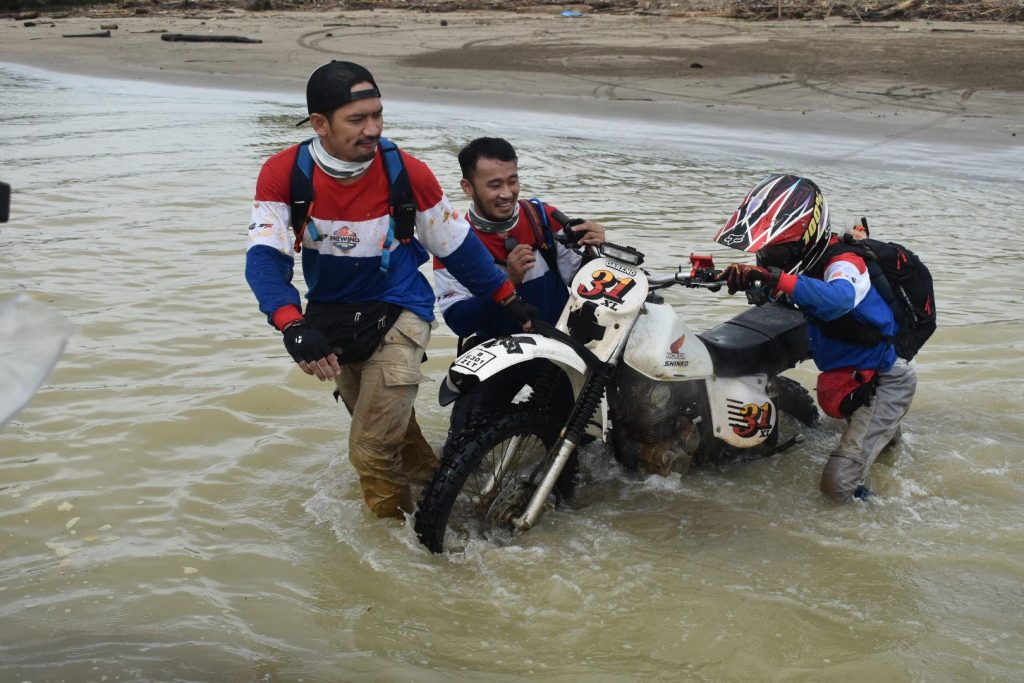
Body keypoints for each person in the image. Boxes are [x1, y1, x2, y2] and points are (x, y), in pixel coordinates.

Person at [245, 62, 535, 519]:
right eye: (357, 119)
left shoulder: (407, 173)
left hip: (402, 309)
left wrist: (509, 300)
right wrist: (291, 324)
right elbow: (265, 258)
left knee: (371, 448)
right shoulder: (284, 173)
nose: (373, 129)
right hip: (332, 317)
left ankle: (400, 547)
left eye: (377, 115)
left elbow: (457, 247)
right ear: (319, 123)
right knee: (397, 438)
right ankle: (450, 501)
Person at [713, 174, 917, 503]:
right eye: (766, 249)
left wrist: (773, 277)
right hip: (852, 376)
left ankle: (878, 509)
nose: (769, 256)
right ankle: (886, 444)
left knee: (837, 487)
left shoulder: (844, 263)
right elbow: (785, 293)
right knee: (877, 447)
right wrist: (747, 280)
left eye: (777, 249)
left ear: (806, 239)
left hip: (882, 380)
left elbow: (838, 298)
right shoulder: (807, 265)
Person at [433, 137, 605, 445]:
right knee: (462, 443)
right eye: (494, 185)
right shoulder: (453, 241)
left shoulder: (542, 218)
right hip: (495, 348)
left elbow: (585, 283)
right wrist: (507, 282)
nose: (507, 193)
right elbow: (459, 320)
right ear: (468, 187)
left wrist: (596, 250)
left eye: (512, 181)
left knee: (579, 443)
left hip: (556, 348)